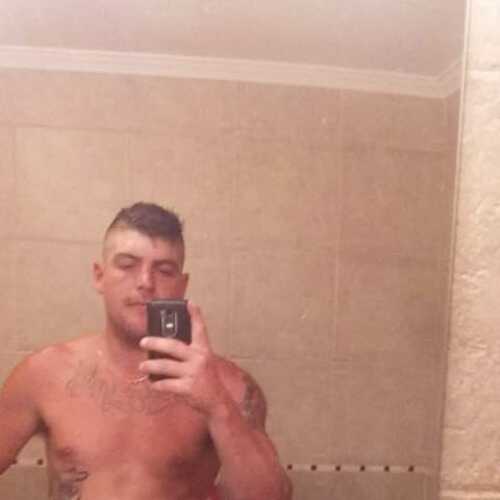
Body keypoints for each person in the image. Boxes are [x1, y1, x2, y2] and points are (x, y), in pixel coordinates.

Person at [0, 202, 292, 500]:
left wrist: (217, 405)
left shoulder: (228, 385)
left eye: (164, 271)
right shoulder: (44, 374)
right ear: (99, 276)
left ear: (182, 285)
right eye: (127, 265)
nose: (145, 282)